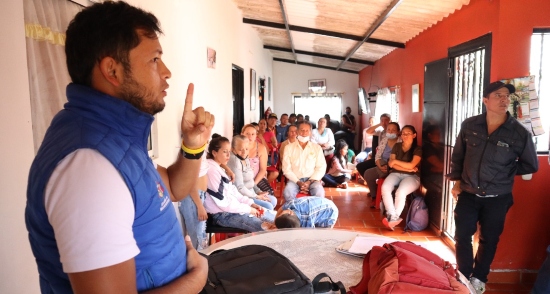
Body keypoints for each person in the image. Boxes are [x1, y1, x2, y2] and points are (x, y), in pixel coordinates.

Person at [25, 2, 209, 292]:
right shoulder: (89, 168)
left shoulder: (115, 138)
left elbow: (173, 188)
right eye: (154, 60)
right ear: (112, 70)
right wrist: (196, 280)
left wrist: (193, 145)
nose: (167, 72)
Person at [447, 81, 538, 293]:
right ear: (485, 100)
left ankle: (479, 278)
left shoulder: (519, 133)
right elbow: (458, 156)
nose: (505, 99)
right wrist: (457, 183)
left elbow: (531, 164)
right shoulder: (469, 125)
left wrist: (506, 171)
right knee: (462, 236)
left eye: (507, 96)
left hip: (498, 197)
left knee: (489, 239)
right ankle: (463, 275)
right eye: (498, 95)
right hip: (468, 193)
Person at [204, 134, 274, 232]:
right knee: (268, 227)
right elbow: (224, 204)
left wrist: (251, 203)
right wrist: (249, 209)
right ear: (214, 153)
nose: (229, 156)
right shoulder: (212, 170)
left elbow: (234, 192)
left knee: (274, 217)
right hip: (223, 214)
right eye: (225, 152)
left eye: (229, 152)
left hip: (234, 209)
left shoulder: (220, 167)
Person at [380, 125, 422, 230]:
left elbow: (412, 165)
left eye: (408, 133)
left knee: (400, 192)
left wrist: (396, 162)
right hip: (396, 173)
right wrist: (407, 168)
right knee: (385, 188)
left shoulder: (418, 149)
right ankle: (392, 216)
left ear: (414, 135)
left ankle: (393, 217)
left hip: (412, 176)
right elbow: (390, 164)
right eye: (403, 133)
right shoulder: (397, 146)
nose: (405, 135)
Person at [227, 135, 277, 210]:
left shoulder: (245, 157)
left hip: (251, 192)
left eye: (247, 149)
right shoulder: (235, 161)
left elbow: (251, 180)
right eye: (241, 149)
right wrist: (256, 196)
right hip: (243, 196)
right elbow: (240, 187)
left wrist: (258, 191)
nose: (244, 152)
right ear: (233, 149)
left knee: (273, 200)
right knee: (269, 206)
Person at [282, 122, 327, 201]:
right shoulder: (288, 148)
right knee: (287, 192)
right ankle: (293, 212)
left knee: (319, 192)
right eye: (302, 130)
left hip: (312, 180)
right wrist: (298, 182)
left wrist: (309, 182)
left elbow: (321, 167)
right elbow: (286, 169)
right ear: (297, 132)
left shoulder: (316, 148)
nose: (304, 133)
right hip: (295, 180)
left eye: (307, 131)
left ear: (310, 133)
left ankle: (314, 212)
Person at [363, 122, 401, 202]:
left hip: (394, 167)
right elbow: (378, 155)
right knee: (368, 174)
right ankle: (375, 196)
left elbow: (400, 159)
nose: (390, 132)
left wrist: (389, 166)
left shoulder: (401, 142)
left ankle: (385, 197)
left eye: (393, 130)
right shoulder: (385, 140)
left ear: (398, 131)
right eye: (389, 129)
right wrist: (379, 166)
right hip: (382, 164)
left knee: (386, 173)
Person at [178, 152, 209, 250]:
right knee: (198, 240)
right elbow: (189, 181)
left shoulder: (201, 150)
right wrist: (199, 206)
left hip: (198, 196)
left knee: (201, 238)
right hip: (193, 198)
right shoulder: (193, 152)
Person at [241, 124, 276, 195]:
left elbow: (263, 170)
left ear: (256, 136)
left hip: (257, 178)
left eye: (253, 134)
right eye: (247, 134)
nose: (250, 137)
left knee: (269, 194)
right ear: (242, 134)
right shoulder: (237, 148)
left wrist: (254, 184)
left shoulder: (261, 148)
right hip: (242, 179)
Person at [356, 113, 391, 179]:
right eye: (382, 120)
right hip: (378, 157)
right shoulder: (380, 131)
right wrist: (380, 124)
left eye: (386, 120)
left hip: (387, 158)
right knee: (359, 166)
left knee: (362, 166)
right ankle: (369, 180)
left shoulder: (392, 132)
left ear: (390, 121)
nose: (384, 122)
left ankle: (371, 180)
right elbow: (368, 131)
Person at [274, 197, 339, 228]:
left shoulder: (308, 221)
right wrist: (274, 222)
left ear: (290, 212)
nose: (281, 212)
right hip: (315, 206)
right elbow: (281, 209)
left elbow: (308, 235)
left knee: (323, 236)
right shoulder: (289, 206)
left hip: (329, 212)